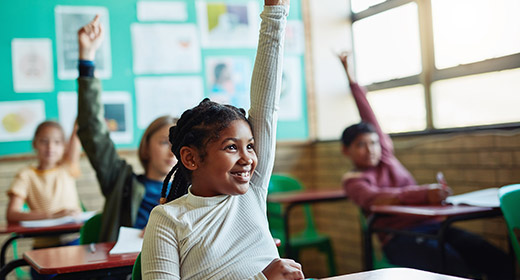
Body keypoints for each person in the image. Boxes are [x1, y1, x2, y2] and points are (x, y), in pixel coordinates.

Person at [141, 1, 305, 279]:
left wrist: (275, 11)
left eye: (250, 146)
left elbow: (267, 107)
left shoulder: (251, 190)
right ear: (191, 158)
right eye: (231, 147)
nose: (248, 159)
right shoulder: (168, 219)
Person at [338, 52, 512, 279]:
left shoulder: (386, 157)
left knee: (493, 257)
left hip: (434, 227)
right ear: (346, 150)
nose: (371, 149)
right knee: (456, 266)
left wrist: (352, 80)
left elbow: (368, 116)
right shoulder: (354, 181)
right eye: (361, 144)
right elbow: (380, 198)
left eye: (373, 142)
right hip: (399, 237)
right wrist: (424, 193)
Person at [76, 15, 178, 242]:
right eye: (164, 142)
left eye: (178, 145)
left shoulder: (192, 191)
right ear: (146, 147)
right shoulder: (121, 182)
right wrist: (87, 59)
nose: (172, 152)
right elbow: (92, 129)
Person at [6, 120, 82, 279]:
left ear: (65, 147)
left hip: (74, 243)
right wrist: (53, 215)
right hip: (43, 250)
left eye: (57, 142)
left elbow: (77, 132)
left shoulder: (67, 167)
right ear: (34, 144)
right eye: (44, 141)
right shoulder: (26, 175)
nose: (50, 147)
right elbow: (12, 214)